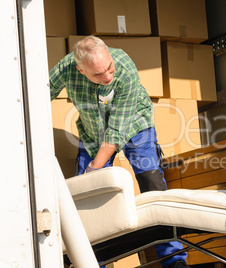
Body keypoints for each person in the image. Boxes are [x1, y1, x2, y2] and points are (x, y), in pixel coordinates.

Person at [49, 35, 190, 268]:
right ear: (80, 70)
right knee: (87, 196)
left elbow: (116, 132)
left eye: (109, 69)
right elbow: (35, 97)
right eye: (98, 74)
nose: (107, 77)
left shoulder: (123, 66)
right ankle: (92, 261)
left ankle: (174, 261)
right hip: (92, 133)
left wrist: (94, 168)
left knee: (152, 184)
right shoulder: (65, 68)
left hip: (135, 123)